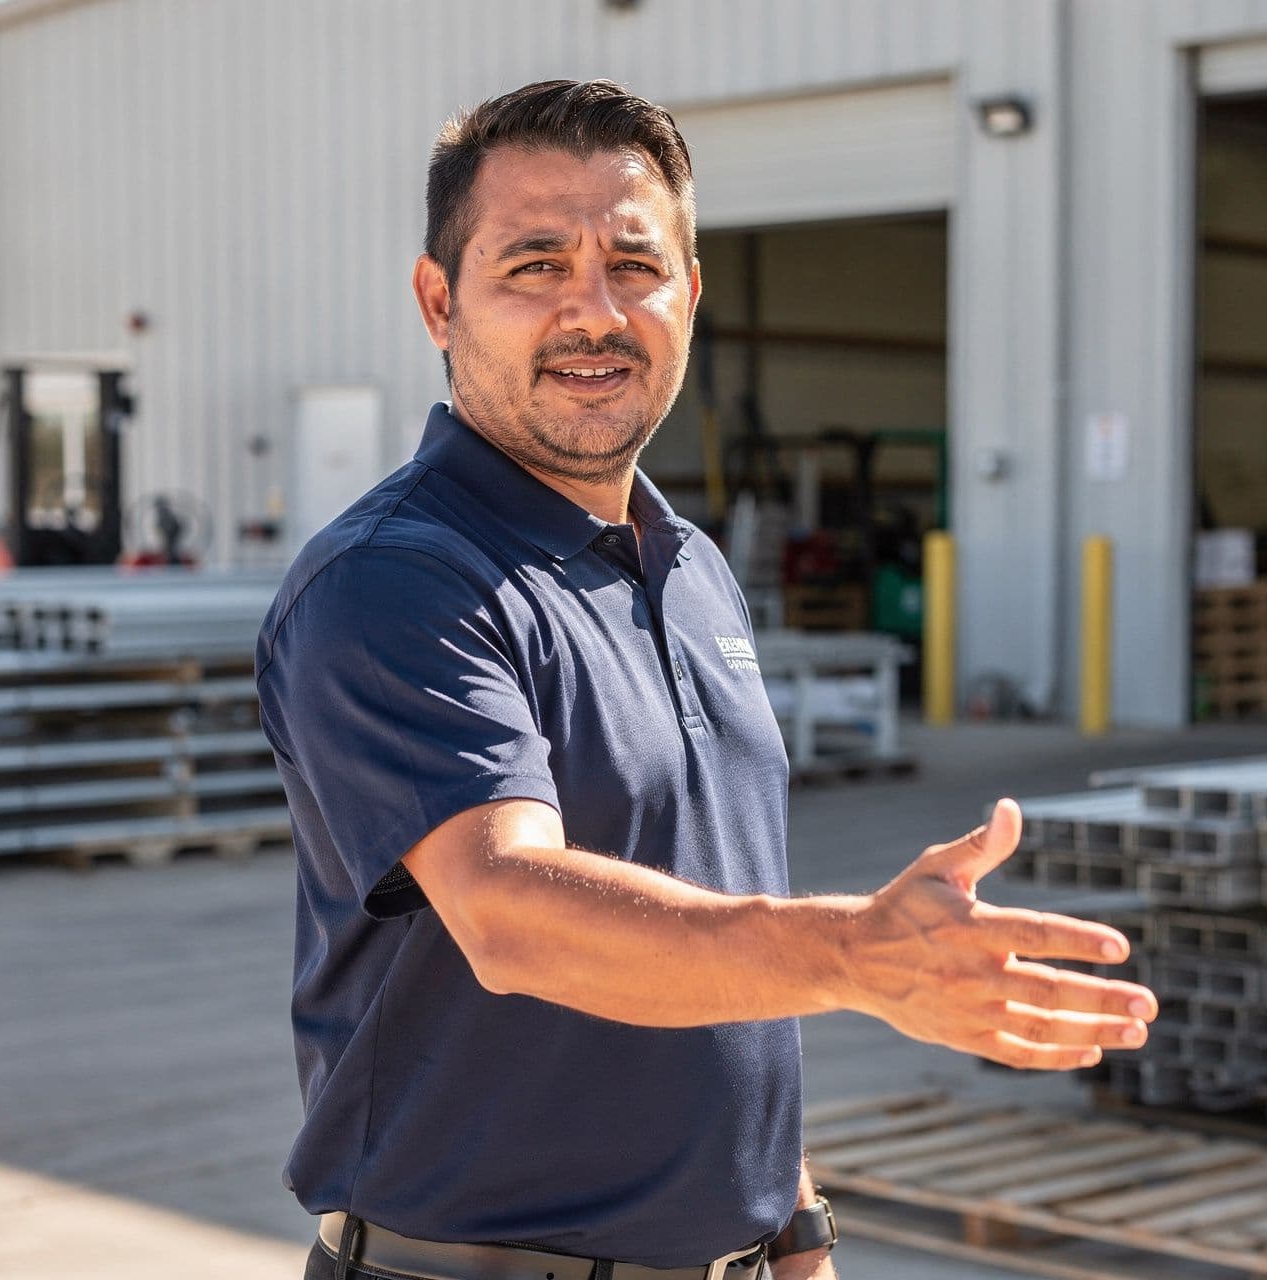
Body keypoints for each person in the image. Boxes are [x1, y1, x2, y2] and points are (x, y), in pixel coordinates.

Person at [255, 79, 1157, 1280]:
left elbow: (714, 924)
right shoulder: (398, 583)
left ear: (690, 293)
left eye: (634, 264)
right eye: (532, 265)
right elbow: (510, 909)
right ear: (439, 301)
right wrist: (852, 953)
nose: (593, 311)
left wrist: (793, 1227)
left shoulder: (693, 573)